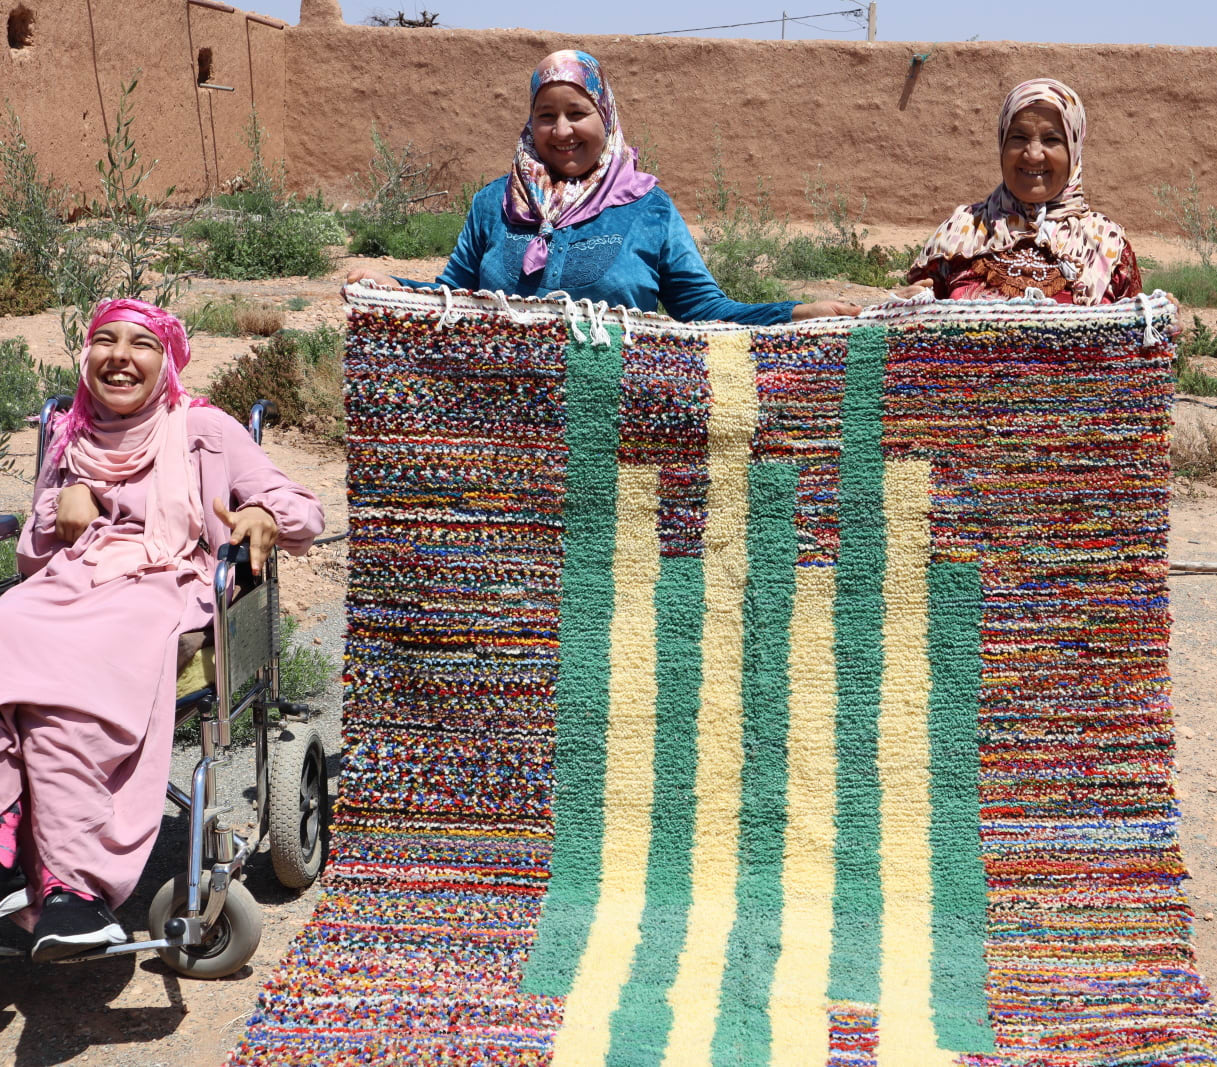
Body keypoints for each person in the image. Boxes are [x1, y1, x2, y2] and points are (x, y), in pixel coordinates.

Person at [0, 299, 325, 962]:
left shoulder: (202, 426)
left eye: (140, 344)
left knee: (72, 678)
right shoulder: (69, 430)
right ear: (86, 356)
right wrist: (62, 502)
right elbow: (33, 557)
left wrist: (261, 514)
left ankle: (73, 890)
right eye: (104, 341)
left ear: (167, 360)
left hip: (159, 586)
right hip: (66, 586)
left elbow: (303, 511)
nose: (120, 355)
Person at [348, 50, 858, 324]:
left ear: (606, 116)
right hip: (503, 431)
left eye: (577, 113)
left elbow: (705, 311)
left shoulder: (647, 208)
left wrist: (795, 312)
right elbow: (452, 298)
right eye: (546, 116)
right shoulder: (495, 203)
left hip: (617, 430)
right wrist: (398, 290)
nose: (562, 131)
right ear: (530, 123)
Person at [903, 78, 1145, 305]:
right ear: (1002, 142)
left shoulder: (1106, 243)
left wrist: (1162, 322)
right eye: (1019, 137)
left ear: (1074, 149)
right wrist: (908, 306)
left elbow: (1140, 337)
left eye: (1052, 140)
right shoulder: (960, 232)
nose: (1033, 154)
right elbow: (918, 333)